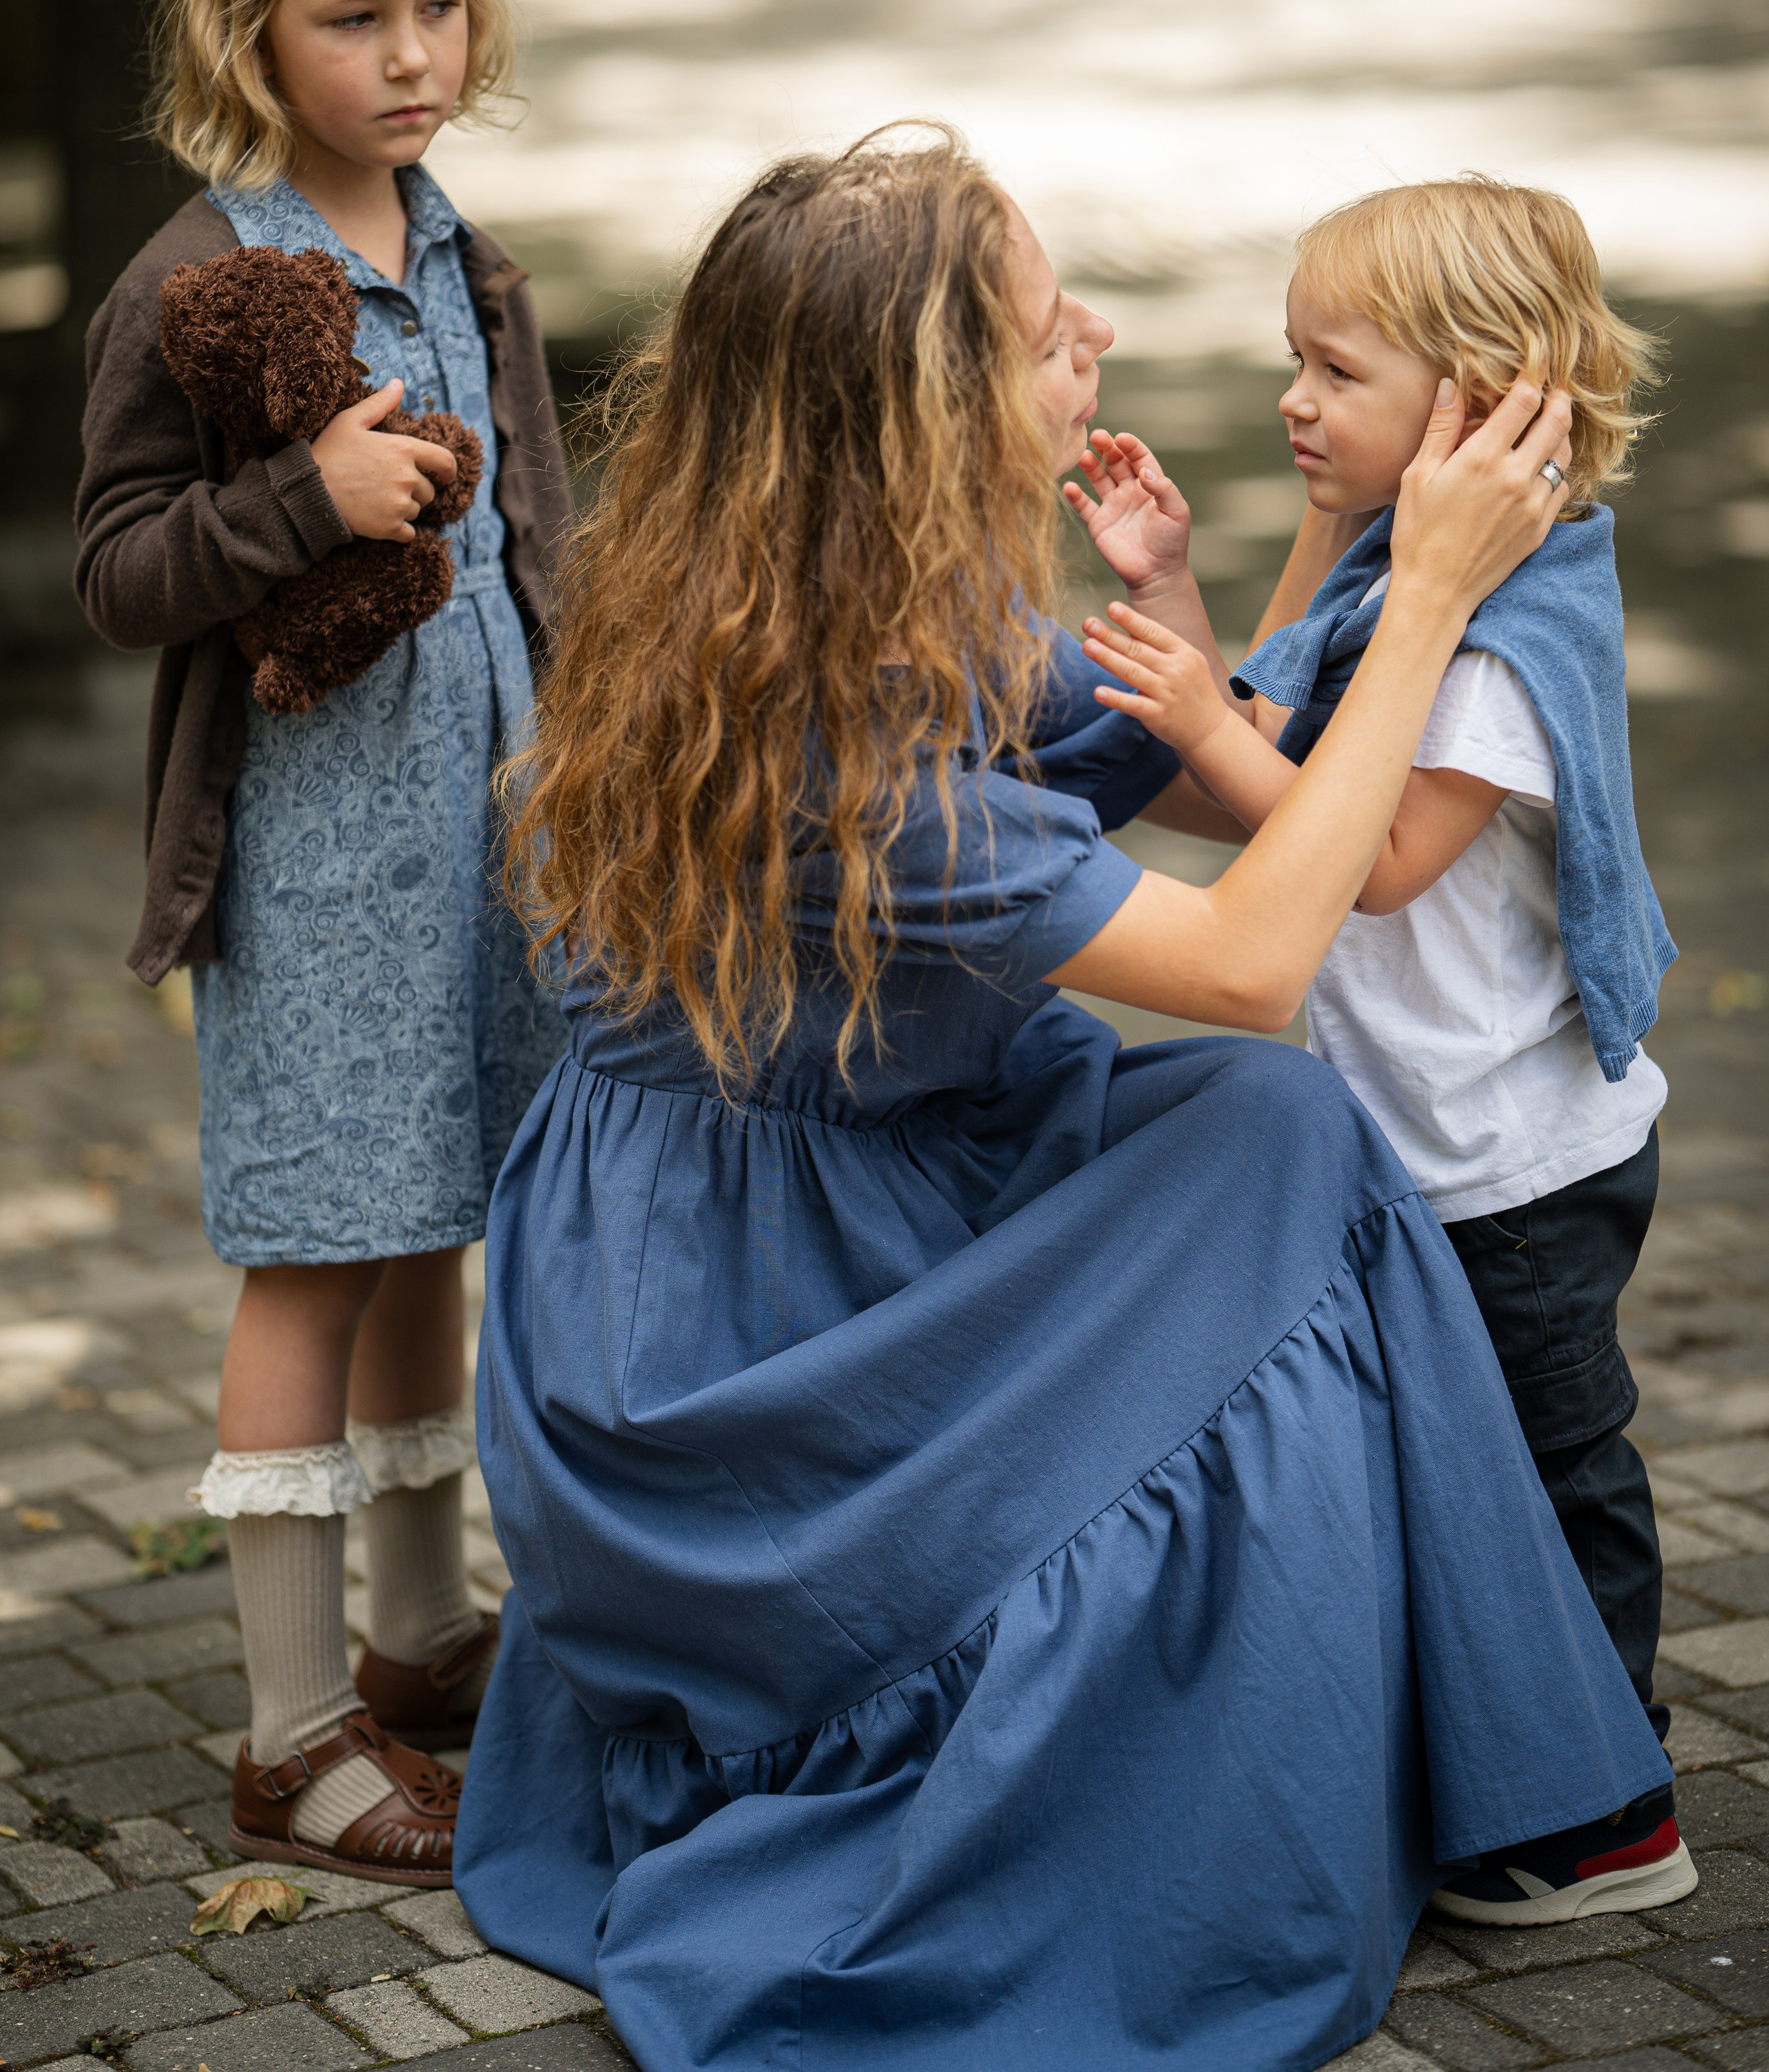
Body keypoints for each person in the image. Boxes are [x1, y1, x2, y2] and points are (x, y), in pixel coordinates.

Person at [455, 127, 1669, 2069]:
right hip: (739, 1354)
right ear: (934, 411)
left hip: (821, 1207)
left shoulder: (845, 588)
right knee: (1283, 1138)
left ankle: (1485, 1738)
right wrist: (1427, 594)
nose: (1094, 334)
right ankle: (1482, 1766)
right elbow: (1263, 957)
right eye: (1044, 334)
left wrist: (1287, 584)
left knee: (1261, 1137)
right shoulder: (850, 751)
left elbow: (1237, 761)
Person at [1075, 175, 1685, 1929]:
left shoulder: (1507, 634)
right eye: (1292, 361)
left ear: (1479, 399)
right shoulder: (1371, 573)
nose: (1291, 401)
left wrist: (1201, 718)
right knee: (1443, 1464)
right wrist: (1174, 593)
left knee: (1557, 1467)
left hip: (1513, 1164)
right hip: (1403, 1138)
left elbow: (1376, 857)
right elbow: (1262, 741)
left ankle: (1612, 1808)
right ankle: (1493, 1755)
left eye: (1333, 371)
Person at [74, 0, 571, 1883]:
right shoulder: (196, 282)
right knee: (317, 1246)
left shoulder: (470, 257)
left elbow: (547, 535)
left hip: (489, 848)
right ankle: (291, 1731)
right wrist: (308, 505)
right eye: (357, 21)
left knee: (439, 1217)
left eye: (440, 10)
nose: (413, 60)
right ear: (247, 31)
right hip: (310, 870)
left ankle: (420, 1628)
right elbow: (112, 570)